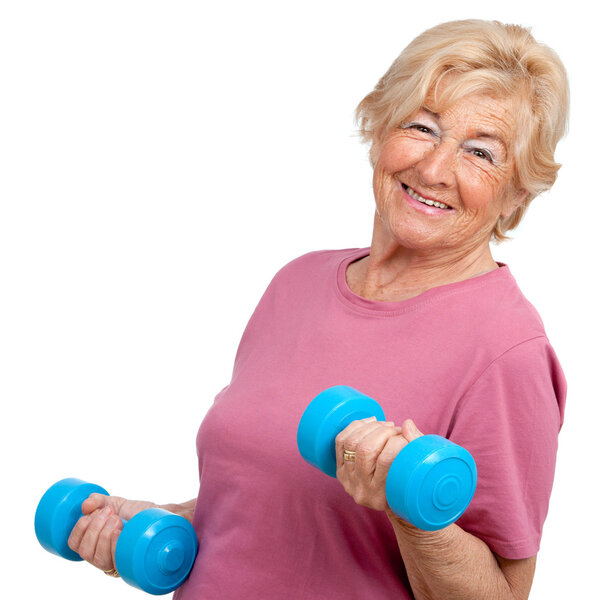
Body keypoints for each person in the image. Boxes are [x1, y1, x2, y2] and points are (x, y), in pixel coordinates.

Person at [66, 19, 568, 600]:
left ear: (517, 194)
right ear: (379, 129)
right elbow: (273, 508)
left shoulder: (507, 350)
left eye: (480, 152)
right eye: (422, 127)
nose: (434, 170)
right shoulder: (297, 283)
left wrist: (410, 512)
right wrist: (156, 525)